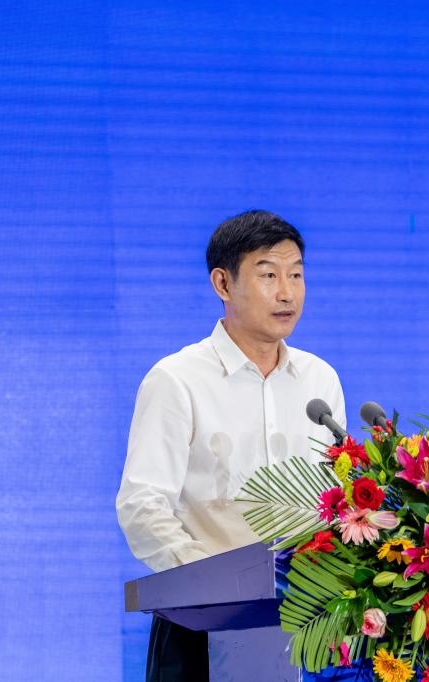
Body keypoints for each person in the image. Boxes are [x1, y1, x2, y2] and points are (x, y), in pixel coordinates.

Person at [116, 210, 346, 682]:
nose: (287, 292)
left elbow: (335, 499)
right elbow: (142, 506)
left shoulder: (320, 380)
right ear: (223, 283)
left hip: (311, 626)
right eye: (268, 275)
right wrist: (214, 584)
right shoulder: (177, 380)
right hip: (202, 627)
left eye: (296, 274)